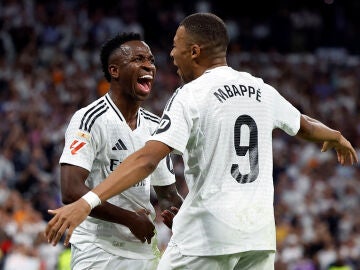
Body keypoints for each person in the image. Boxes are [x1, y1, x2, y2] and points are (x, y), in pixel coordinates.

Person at [45, 13, 358, 270]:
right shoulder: (259, 87)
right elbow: (304, 125)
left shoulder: (190, 95)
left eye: (175, 47)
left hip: (208, 234)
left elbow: (146, 160)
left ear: (194, 51)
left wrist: (86, 203)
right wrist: (337, 135)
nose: (170, 56)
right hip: (259, 237)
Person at [54, 32, 183, 270]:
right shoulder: (89, 119)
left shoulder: (156, 126)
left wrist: (184, 220)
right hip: (97, 250)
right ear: (114, 71)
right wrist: (130, 219)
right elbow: (71, 191)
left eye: (151, 60)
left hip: (144, 250)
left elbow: (167, 195)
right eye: (138, 59)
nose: (148, 65)